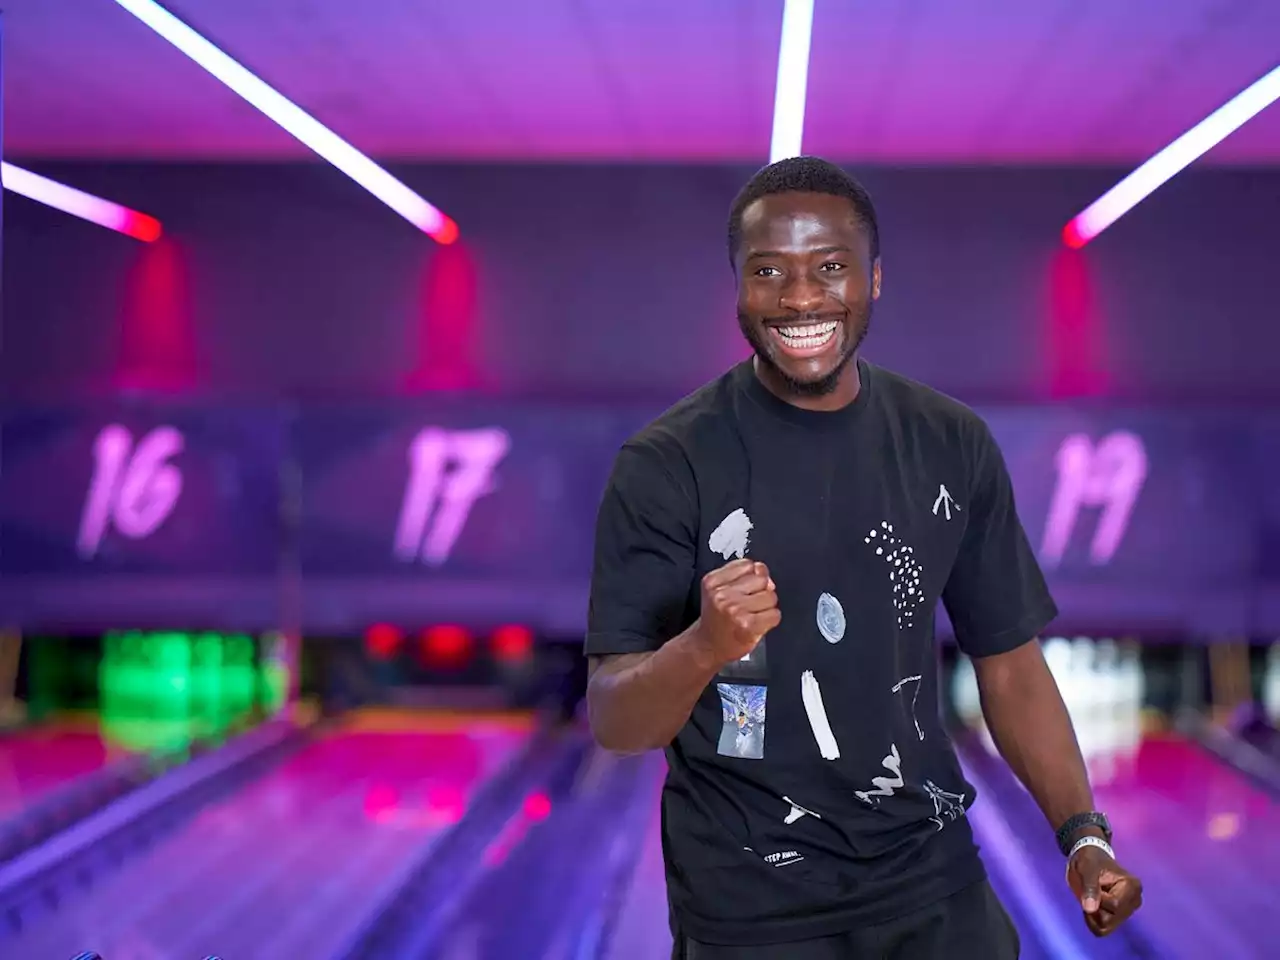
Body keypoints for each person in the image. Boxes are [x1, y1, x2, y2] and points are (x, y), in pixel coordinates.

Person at [583, 157, 1144, 958]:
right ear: (737, 287)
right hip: (750, 913)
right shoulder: (668, 463)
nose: (802, 297)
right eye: (768, 271)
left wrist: (1084, 836)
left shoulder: (949, 442)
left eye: (831, 268)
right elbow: (615, 720)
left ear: (874, 279)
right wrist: (704, 645)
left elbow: (1011, 668)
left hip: (933, 885)